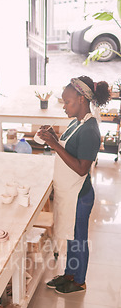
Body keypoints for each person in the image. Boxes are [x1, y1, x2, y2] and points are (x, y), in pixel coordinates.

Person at [37, 76, 110, 294]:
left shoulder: (90, 130)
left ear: (81, 99)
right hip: (68, 192)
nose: (64, 106)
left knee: (79, 241)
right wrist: (52, 137)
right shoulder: (76, 122)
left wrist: (53, 145)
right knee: (71, 237)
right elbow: (68, 149)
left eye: (67, 102)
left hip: (79, 196)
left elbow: (81, 168)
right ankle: (69, 274)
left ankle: (79, 281)